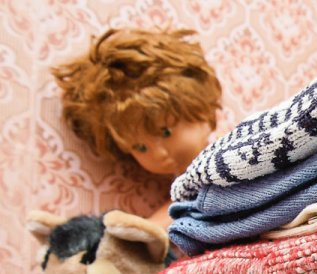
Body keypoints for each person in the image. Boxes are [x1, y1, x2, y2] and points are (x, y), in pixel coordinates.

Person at [51, 27, 222, 228]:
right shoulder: (187, 185)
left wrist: (149, 228)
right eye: (141, 148)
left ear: (201, 109)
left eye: (166, 132)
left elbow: (192, 203)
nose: (159, 153)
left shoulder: (226, 158)